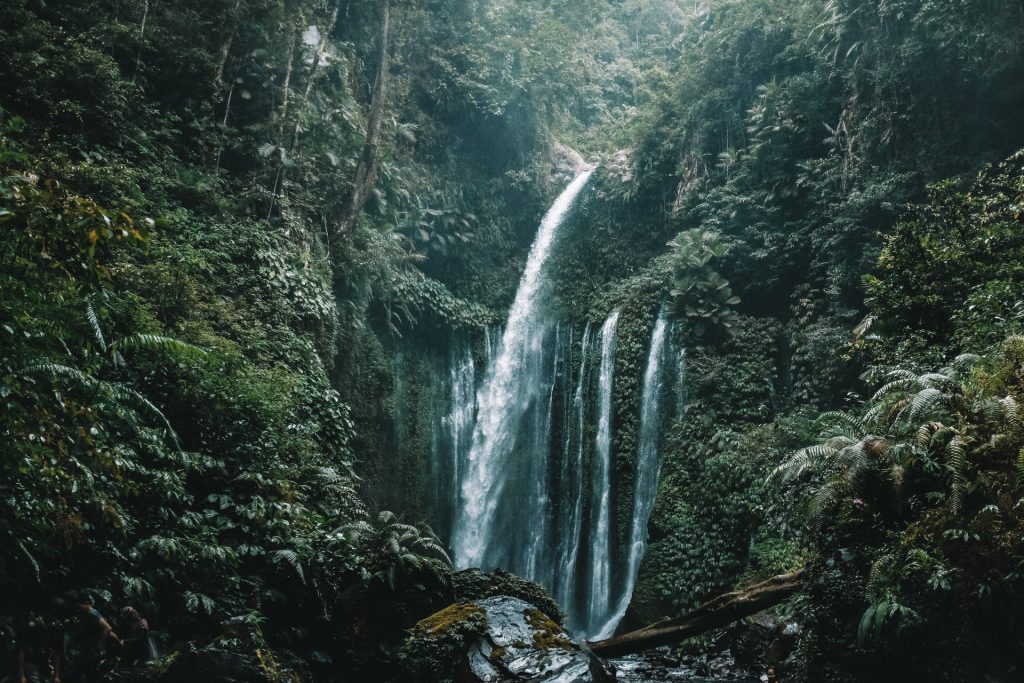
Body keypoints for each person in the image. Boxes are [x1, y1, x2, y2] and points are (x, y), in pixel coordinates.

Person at [61, 596, 121, 683]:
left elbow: (108, 628)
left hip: (94, 650)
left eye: (79, 606)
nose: (78, 609)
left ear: (86, 603)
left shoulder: (92, 614)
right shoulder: (89, 614)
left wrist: (100, 645)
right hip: (90, 648)